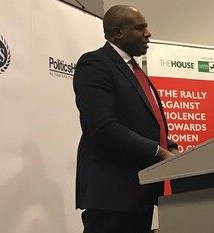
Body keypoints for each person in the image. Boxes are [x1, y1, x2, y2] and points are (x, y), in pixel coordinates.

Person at [73, 5, 178, 233]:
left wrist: (171, 147)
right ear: (118, 32)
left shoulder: (133, 69)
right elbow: (103, 126)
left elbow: (147, 123)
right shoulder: (95, 64)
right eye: (141, 28)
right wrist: (159, 152)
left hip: (140, 191)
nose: (148, 33)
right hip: (112, 194)